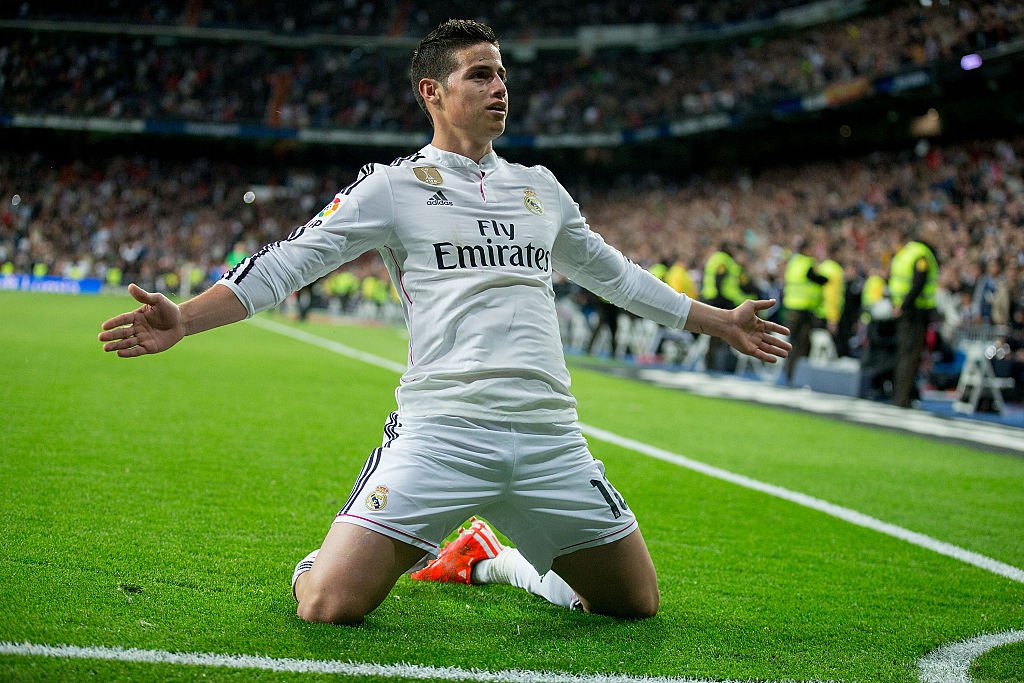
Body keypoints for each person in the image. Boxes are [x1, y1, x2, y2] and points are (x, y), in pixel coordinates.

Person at [99, 19, 791, 625]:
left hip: (550, 437)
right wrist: (185, 319)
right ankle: (339, 546)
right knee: (328, 604)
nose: (500, 88)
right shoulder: (393, 187)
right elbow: (288, 262)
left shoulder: (540, 188)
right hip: (443, 431)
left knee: (632, 602)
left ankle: (492, 560)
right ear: (431, 91)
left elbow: (615, 273)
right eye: (480, 75)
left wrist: (718, 321)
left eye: (502, 75)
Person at [889, 223, 939, 408]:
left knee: (903, 353)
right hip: (914, 311)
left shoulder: (903, 253)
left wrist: (898, 305)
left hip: (902, 309)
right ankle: (902, 398)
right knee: (910, 355)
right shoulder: (921, 254)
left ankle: (901, 395)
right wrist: (904, 305)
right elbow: (919, 283)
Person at [782, 235, 828, 385]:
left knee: (792, 342)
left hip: (791, 306)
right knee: (801, 344)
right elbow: (817, 278)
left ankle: (787, 374)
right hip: (804, 309)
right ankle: (794, 376)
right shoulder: (807, 263)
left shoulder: (793, 263)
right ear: (806, 249)